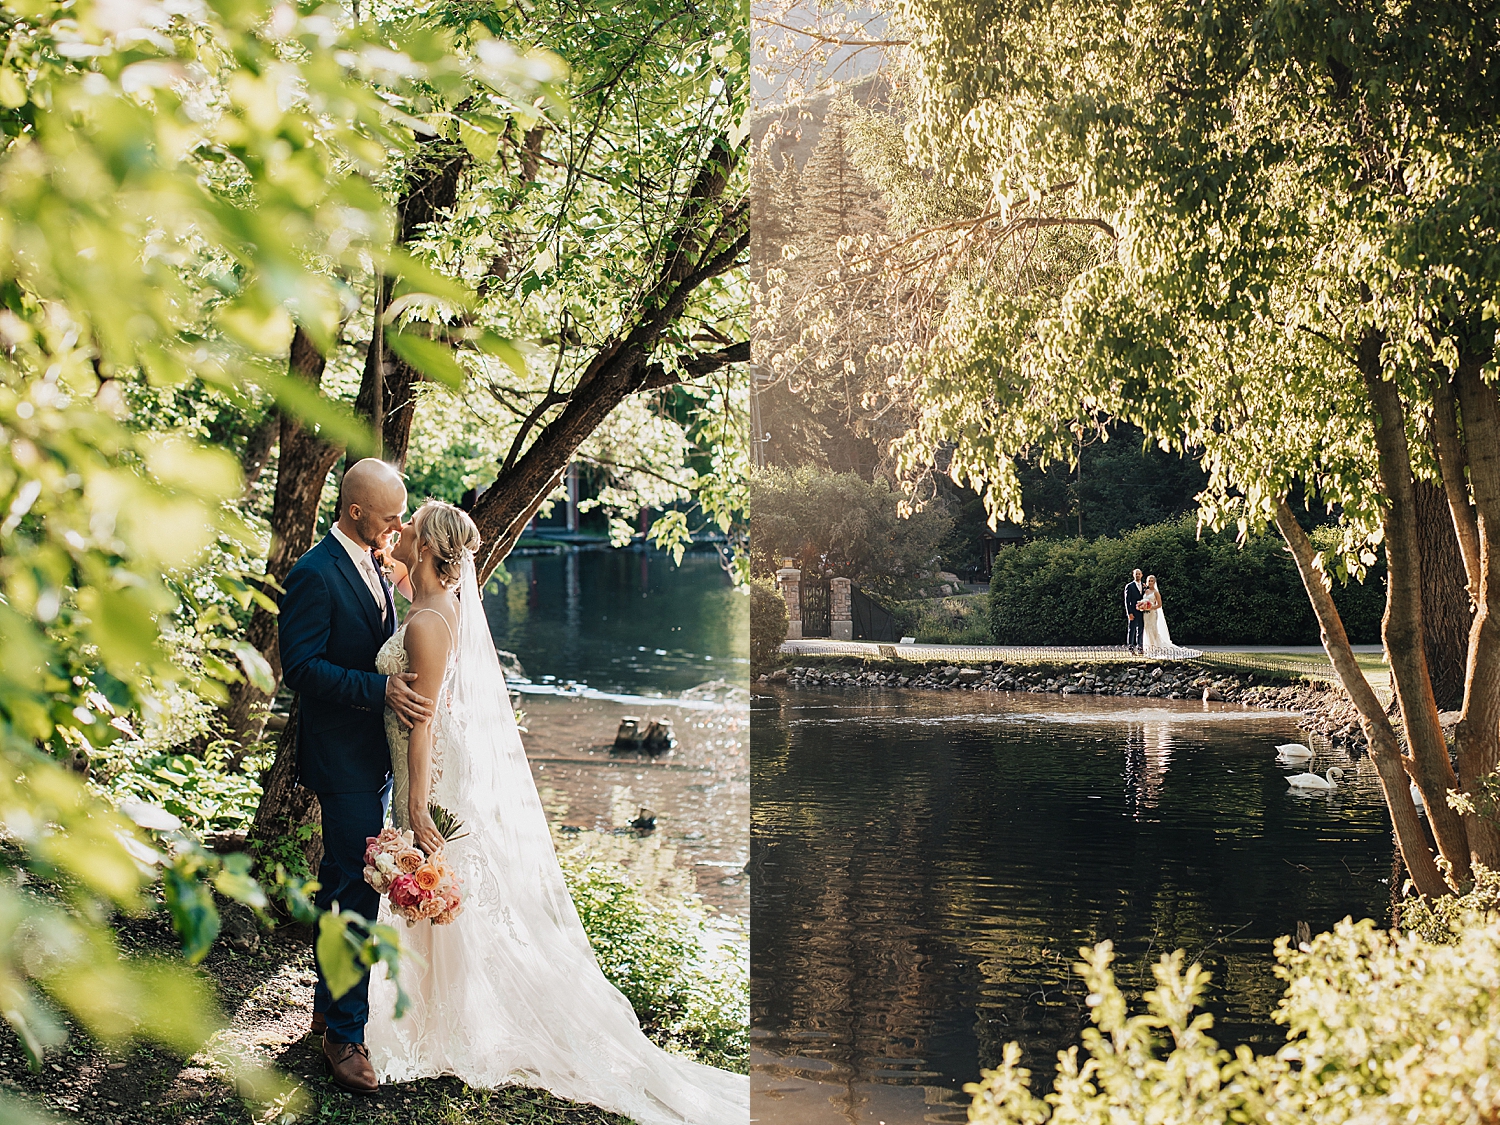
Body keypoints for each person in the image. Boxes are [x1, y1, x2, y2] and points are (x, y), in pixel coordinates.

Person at [363, 500, 750, 1125]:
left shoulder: (430, 622)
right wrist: (386, 555)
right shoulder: (433, 603)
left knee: (437, 878)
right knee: (442, 886)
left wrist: (414, 798)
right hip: (428, 758)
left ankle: (442, 1026)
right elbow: (410, 583)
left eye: (410, 528)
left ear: (431, 548)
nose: (398, 533)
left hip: (428, 769)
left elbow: (425, 717)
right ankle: (429, 1015)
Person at [277, 458, 434, 1093]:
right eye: (392, 515)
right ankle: (344, 1037)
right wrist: (380, 690)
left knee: (342, 879)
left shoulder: (375, 560)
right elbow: (302, 669)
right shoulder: (313, 574)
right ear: (354, 512)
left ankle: (325, 1010)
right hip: (340, 757)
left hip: (372, 757)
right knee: (360, 890)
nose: (400, 525)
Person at [1140, 575, 1180, 655]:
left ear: (1154, 582)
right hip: (1145, 614)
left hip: (1152, 613)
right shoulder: (1145, 591)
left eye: (1151, 581)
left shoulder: (1156, 592)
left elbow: (1159, 605)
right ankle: (1149, 647)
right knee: (1147, 629)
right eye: (1149, 581)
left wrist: (1150, 608)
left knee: (1153, 629)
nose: (1150, 582)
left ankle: (1156, 647)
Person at [1123, 568, 1146, 655]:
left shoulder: (1144, 586)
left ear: (1141, 575)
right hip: (1133, 611)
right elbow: (1127, 601)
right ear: (1133, 575)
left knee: (1140, 629)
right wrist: (1129, 613)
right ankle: (1130, 648)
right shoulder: (1129, 586)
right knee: (1131, 629)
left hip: (1142, 611)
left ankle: (1140, 647)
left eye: (1139, 574)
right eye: (1136, 574)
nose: (1137, 575)